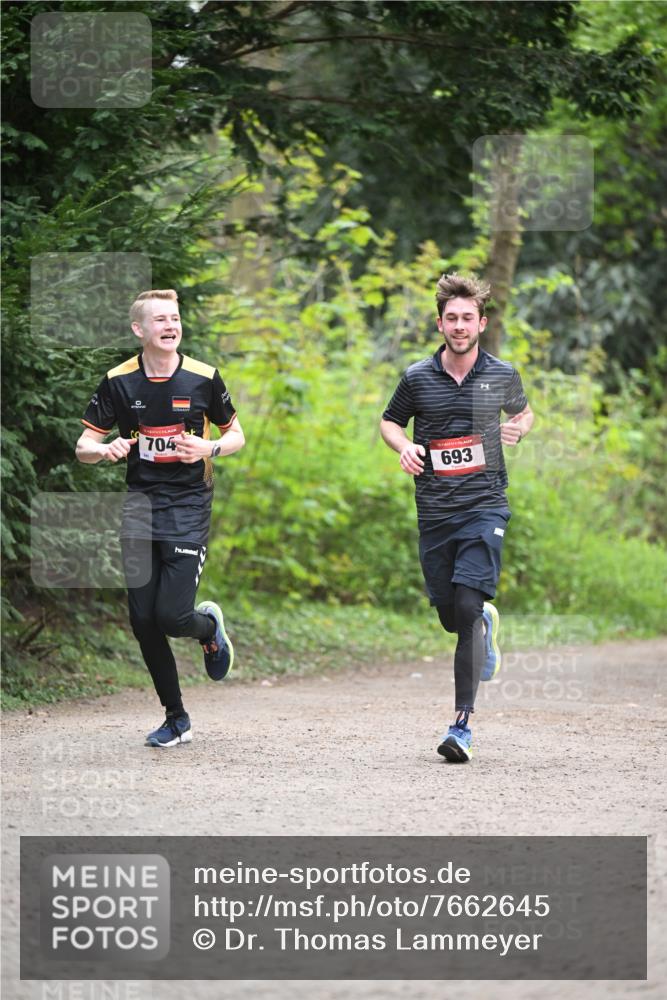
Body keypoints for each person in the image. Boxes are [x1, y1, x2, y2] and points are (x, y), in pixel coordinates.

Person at [75, 289, 245, 748]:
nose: (171, 326)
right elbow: (83, 447)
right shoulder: (118, 381)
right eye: (160, 320)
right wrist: (104, 449)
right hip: (139, 507)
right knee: (142, 620)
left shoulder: (203, 377)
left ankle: (208, 628)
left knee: (171, 616)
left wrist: (208, 448)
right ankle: (176, 718)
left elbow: (236, 436)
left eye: (175, 318)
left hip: (188, 505)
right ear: (139, 330)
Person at [380, 272, 533, 762]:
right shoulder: (417, 377)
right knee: (451, 615)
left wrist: (517, 427)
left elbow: (525, 413)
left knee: (466, 607)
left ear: (481, 322)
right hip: (436, 511)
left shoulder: (502, 374)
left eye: (468, 318)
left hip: (485, 504)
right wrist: (404, 447)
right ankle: (480, 624)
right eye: (452, 318)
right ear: (440, 323)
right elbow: (389, 422)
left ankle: (461, 724)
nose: (460, 325)